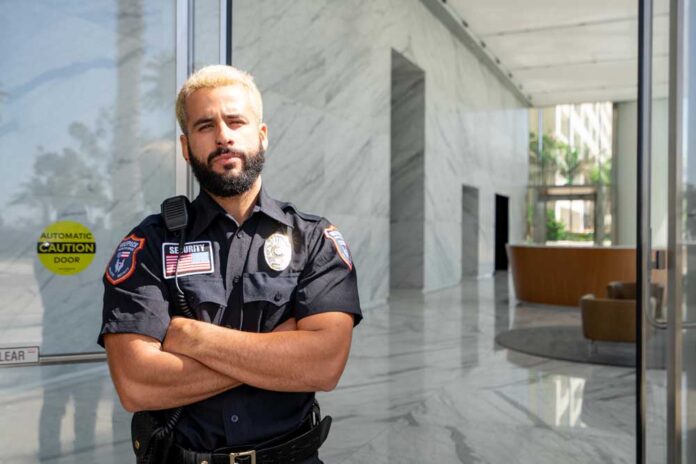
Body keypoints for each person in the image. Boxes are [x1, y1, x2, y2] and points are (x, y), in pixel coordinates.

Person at [98, 64, 362, 464]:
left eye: (235, 121)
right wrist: (282, 350)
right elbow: (136, 383)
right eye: (205, 126)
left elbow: (324, 364)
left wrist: (190, 337)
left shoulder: (313, 240)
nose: (223, 135)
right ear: (187, 148)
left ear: (261, 136)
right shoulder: (150, 244)